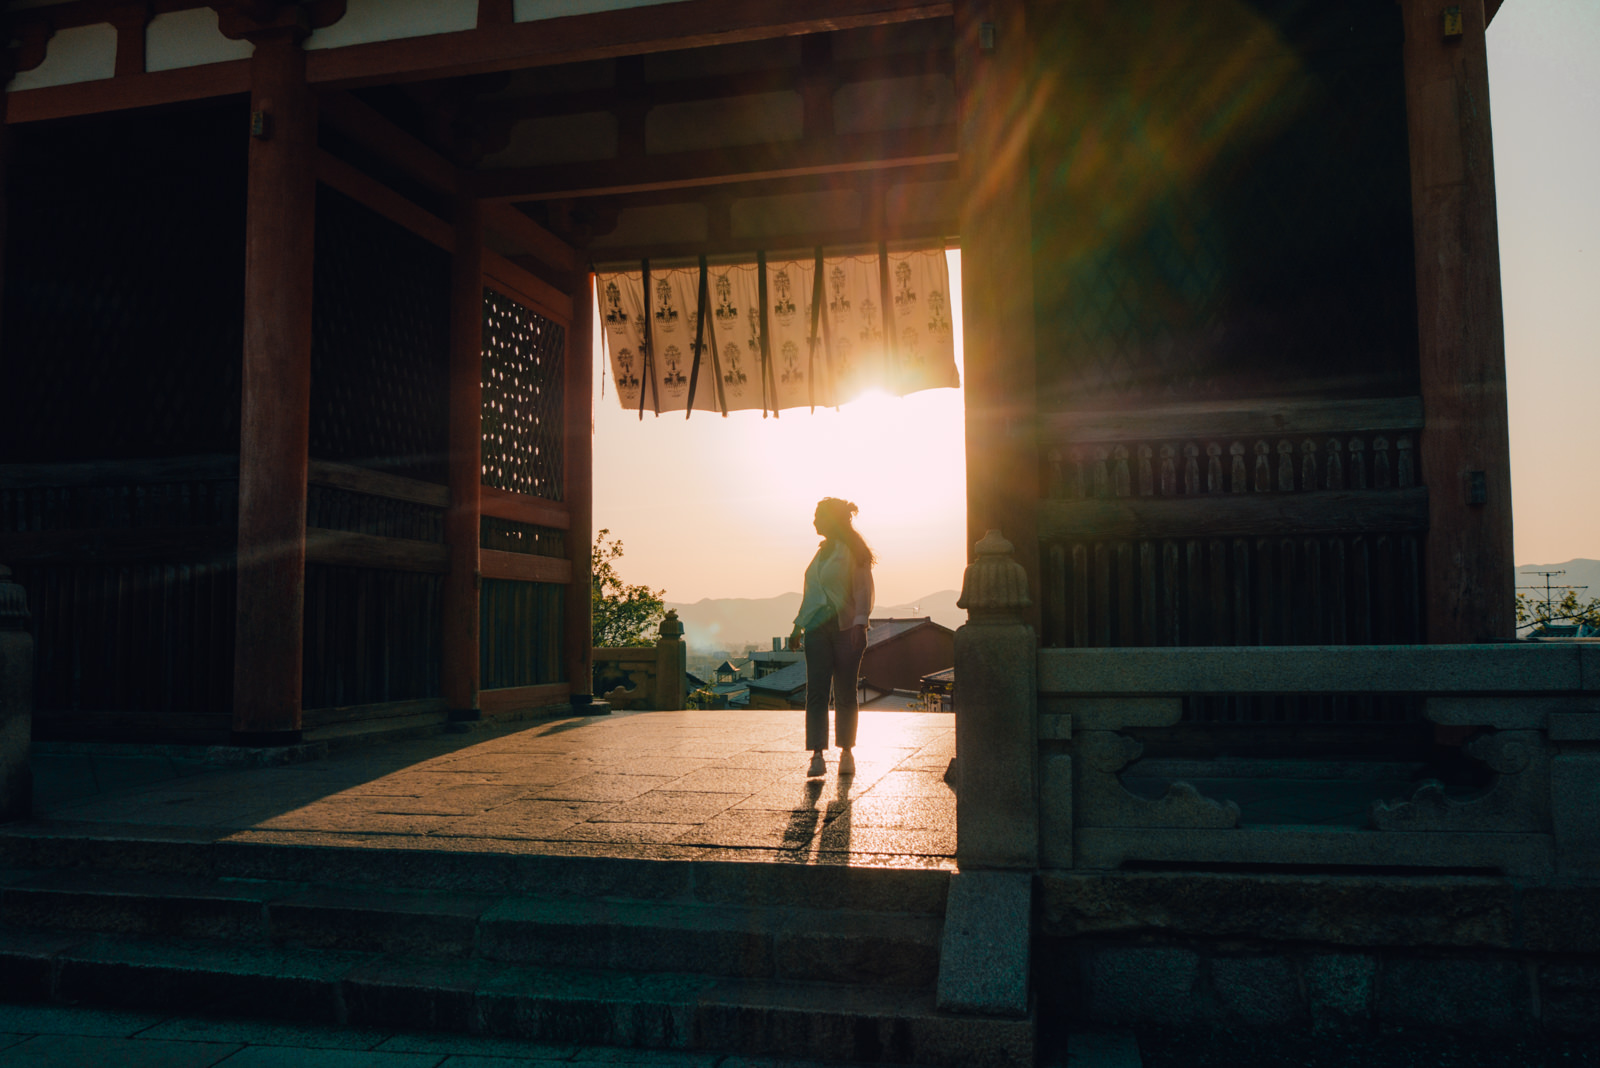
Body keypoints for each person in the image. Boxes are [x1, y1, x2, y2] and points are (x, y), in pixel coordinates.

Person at [788, 497, 875, 777]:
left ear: (831, 520)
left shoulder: (853, 551)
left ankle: (847, 751)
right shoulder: (821, 553)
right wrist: (797, 627)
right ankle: (816, 754)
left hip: (846, 627)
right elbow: (811, 595)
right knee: (816, 692)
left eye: (818, 516)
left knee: (846, 691)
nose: (814, 521)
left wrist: (860, 625)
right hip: (816, 629)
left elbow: (863, 590)